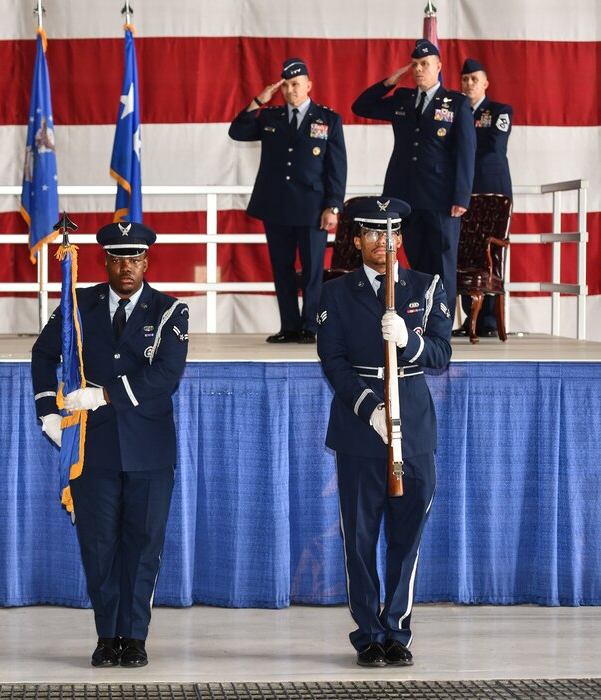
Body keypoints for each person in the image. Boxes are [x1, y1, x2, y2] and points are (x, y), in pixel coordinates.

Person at [31, 221, 189, 668]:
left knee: (142, 547)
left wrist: (103, 395)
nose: (126, 268)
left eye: (134, 259)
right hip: (92, 446)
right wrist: (47, 410)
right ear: (105, 262)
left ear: (146, 262)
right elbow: (43, 353)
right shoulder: (79, 304)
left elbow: (165, 375)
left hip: (148, 448)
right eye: (118, 259)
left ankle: (134, 637)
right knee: (99, 547)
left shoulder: (170, 311)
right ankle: (107, 636)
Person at [316, 197, 452, 668]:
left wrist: (409, 341)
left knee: (406, 537)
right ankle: (369, 633)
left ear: (400, 239)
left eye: (390, 233)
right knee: (359, 539)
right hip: (360, 429)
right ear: (357, 240)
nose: (383, 242)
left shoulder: (427, 287)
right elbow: (333, 361)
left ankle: (396, 628)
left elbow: (441, 354)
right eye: (373, 233)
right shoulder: (336, 292)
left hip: (413, 429)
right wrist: (369, 408)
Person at [352, 39, 475, 315]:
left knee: (442, 264)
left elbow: (466, 152)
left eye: (425, 64)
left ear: (438, 67)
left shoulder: (456, 103)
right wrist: (389, 82)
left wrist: (461, 196)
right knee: (416, 265)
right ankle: (421, 321)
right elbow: (361, 107)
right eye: (415, 65)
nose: (419, 69)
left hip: (441, 198)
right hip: (405, 197)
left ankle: (441, 326)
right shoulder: (403, 99)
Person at [229, 57, 347, 344]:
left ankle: (310, 326)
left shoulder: (328, 119)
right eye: (286, 86)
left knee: (312, 270)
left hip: (312, 208)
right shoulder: (271, 117)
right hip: (277, 205)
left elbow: (337, 167)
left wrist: (333, 206)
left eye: (296, 84)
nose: (290, 90)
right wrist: (259, 100)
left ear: (308, 85)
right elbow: (238, 131)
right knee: (281, 269)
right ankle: (289, 326)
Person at [456, 58, 513, 337]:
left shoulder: (500, 111)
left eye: (474, 79)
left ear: (485, 83)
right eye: (465, 79)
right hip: (462, 191)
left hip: (491, 190)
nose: (469, 84)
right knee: (464, 250)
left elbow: (494, 146)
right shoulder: (455, 111)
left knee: (490, 252)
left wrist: (460, 148)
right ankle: (471, 319)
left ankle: (488, 320)